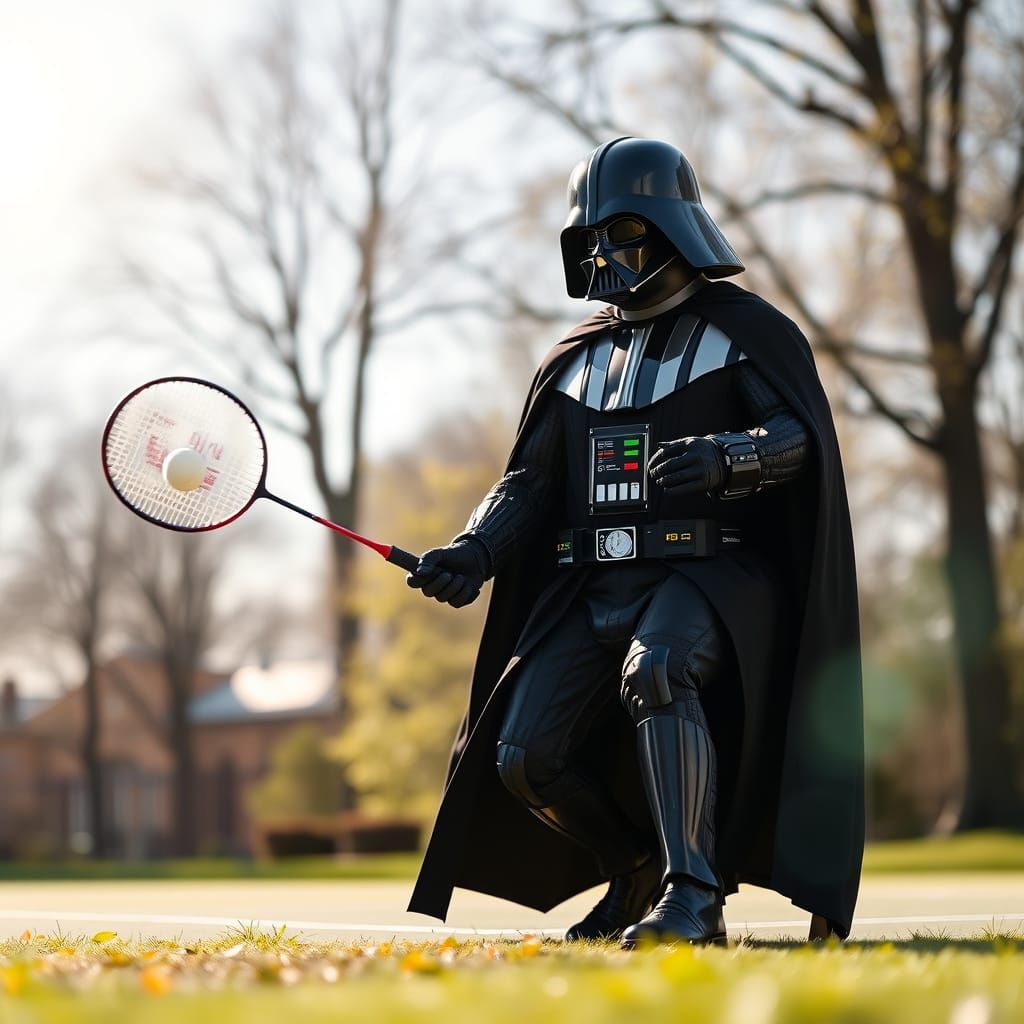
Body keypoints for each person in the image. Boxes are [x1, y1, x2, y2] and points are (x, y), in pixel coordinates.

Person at [405, 137, 863, 947]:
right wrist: (474, 549)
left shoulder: (743, 333)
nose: (610, 255)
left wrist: (731, 457)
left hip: (710, 575)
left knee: (658, 671)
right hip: (591, 584)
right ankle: (641, 867)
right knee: (522, 752)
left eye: (627, 235)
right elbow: (533, 483)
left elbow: (801, 436)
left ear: (671, 227)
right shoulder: (578, 359)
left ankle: (695, 897)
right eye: (595, 240)